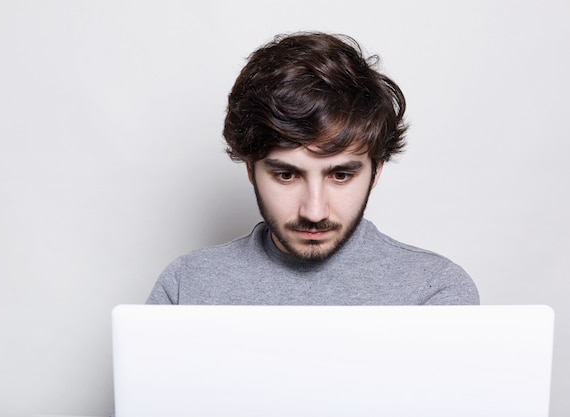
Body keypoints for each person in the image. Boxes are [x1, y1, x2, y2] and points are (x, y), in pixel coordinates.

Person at [147, 31, 479, 305]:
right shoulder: (186, 287)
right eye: (286, 175)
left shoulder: (434, 291)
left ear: (376, 171)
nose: (315, 211)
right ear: (250, 170)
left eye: (341, 175)